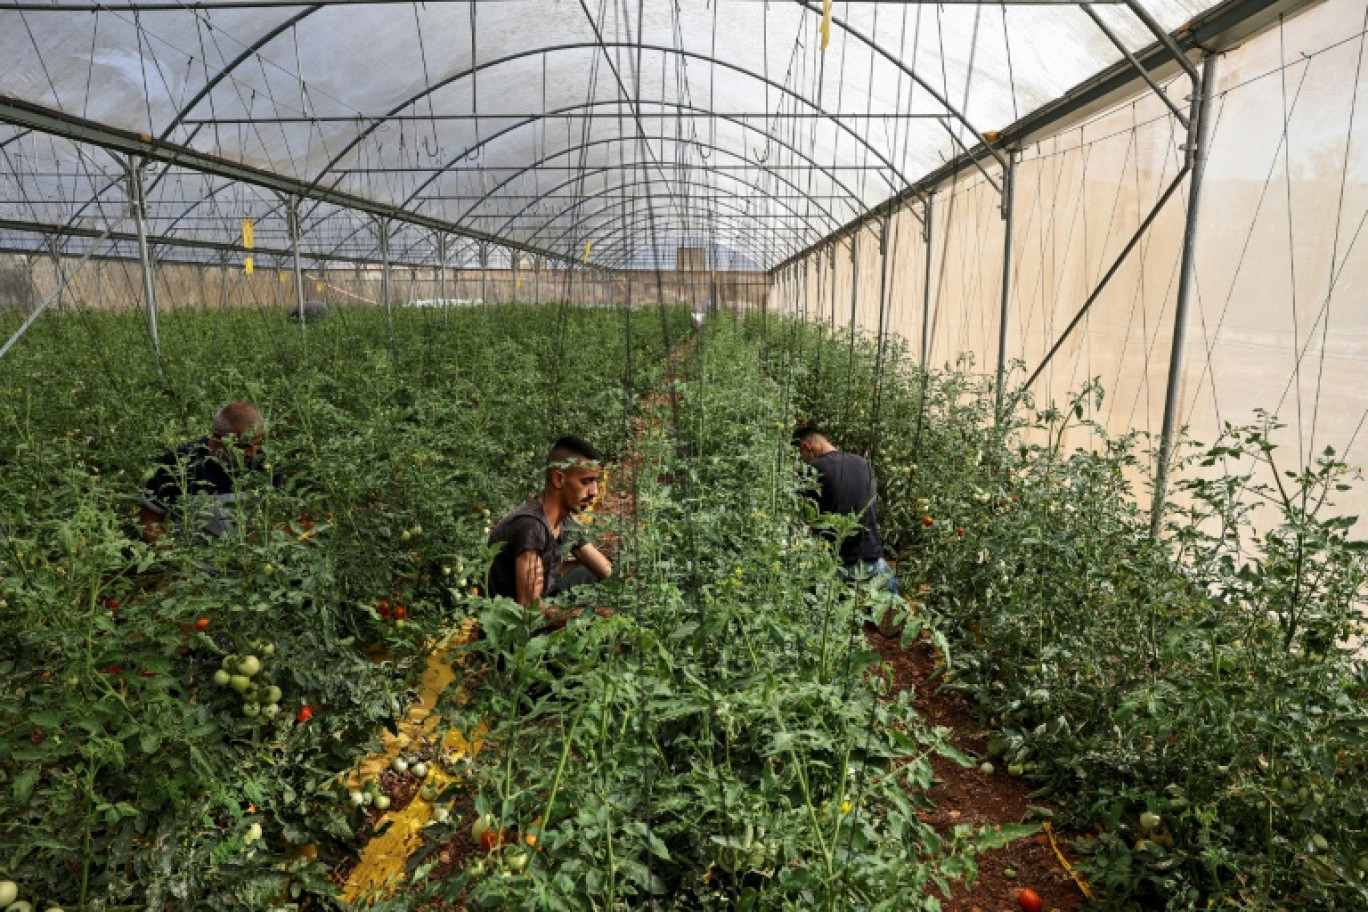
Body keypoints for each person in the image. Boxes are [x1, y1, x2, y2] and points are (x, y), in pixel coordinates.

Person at [487, 435, 614, 628]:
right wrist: (590, 618)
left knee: (590, 573)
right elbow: (529, 610)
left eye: (596, 482)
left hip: (545, 600)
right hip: (514, 635)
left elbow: (605, 569)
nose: (594, 491)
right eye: (586, 482)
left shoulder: (563, 520)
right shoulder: (531, 527)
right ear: (558, 479)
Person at [138, 401, 276, 544]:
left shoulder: (267, 463)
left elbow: (282, 519)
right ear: (217, 437)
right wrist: (175, 560)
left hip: (255, 562)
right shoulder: (179, 463)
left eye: (257, 444)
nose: (252, 453)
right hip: (199, 565)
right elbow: (149, 521)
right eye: (243, 446)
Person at [792, 424, 897, 591]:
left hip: (839, 566)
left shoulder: (813, 469)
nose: (803, 461)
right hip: (874, 561)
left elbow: (805, 519)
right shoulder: (863, 464)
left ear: (806, 447)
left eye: (801, 456)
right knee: (892, 611)